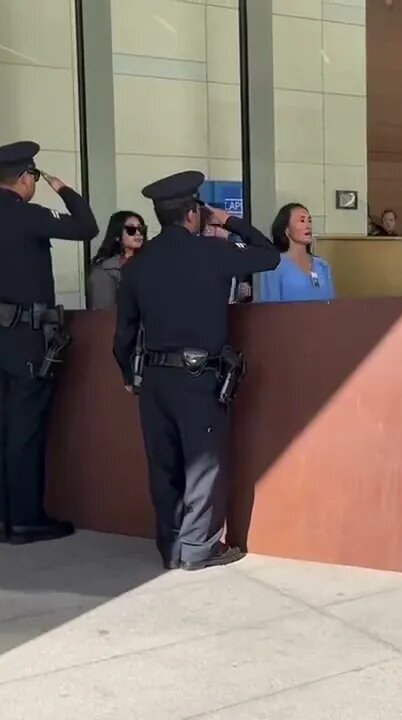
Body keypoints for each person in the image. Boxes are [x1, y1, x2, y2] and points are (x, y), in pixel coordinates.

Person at [114, 170, 281, 571]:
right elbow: (269, 254)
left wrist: (128, 375)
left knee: (164, 463)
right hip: (198, 375)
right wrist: (228, 221)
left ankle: (171, 546)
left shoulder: (137, 265)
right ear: (193, 213)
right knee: (203, 461)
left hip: (153, 378)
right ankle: (198, 548)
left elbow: (124, 333)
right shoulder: (212, 252)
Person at [0, 140, 99, 545]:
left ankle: (5, 520)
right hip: (26, 336)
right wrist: (64, 189)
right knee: (26, 429)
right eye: (33, 176)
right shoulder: (28, 215)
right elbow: (87, 227)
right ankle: (27, 520)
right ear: (24, 178)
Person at [256, 203, 335, 303]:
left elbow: (332, 304)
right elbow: (270, 309)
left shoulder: (323, 265)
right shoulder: (273, 265)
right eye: (302, 221)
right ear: (287, 229)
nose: (308, 226)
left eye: (309, 221)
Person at [87, 211, 147, 310]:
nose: (138, 233)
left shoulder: (150, 261)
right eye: (131, 229)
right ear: (117, 234)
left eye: (141, 229)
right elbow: (104, 313)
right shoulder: (104, 271)